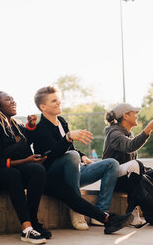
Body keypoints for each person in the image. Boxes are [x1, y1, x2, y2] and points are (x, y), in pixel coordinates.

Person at [31, 86, 132, 234]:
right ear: (43, 107)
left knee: (111, 163)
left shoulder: (61, 121)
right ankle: (76, 208)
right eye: (54, 101)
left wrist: (82, 154)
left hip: (72, 171)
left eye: (59, 99)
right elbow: (51, 155)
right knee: (72, 156)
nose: (59, 102)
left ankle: (101, 213)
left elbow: (69, 147)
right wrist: (69, 138)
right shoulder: (40, 128)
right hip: (53, 175)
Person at [0, 91, 50, 244]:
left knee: (38, 170)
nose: (13, 102)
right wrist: (26, 160)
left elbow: (24, 143)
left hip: (18, 166)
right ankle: (26, 227)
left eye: (13, 99)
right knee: (13, 174)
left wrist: (31, 127)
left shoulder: (17, 124)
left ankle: (33, 221)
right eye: (8, 100)